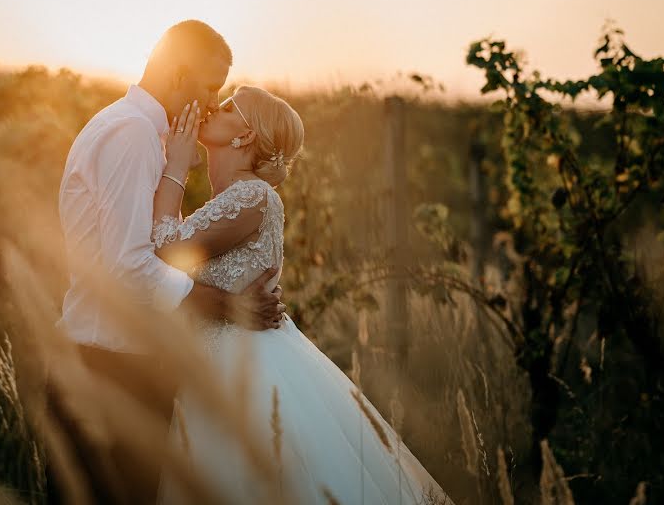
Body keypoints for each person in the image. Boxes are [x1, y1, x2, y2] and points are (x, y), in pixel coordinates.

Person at [152, 85, 455, 504]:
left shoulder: (252, 196)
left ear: (245, 135)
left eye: (226, 107)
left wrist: (176, 166)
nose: (210, 110)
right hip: (221, 359)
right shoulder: (238, 197)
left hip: (242, 367)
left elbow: (166, 247)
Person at [51, 21, 285, 504]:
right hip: (109, 367)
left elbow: (161, 252)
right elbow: (130, 268)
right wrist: (228, 306)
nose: (212, 101)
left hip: (124, 362)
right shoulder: (134, 136)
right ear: (179, 75)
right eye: (210, 87)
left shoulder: (145, 134)